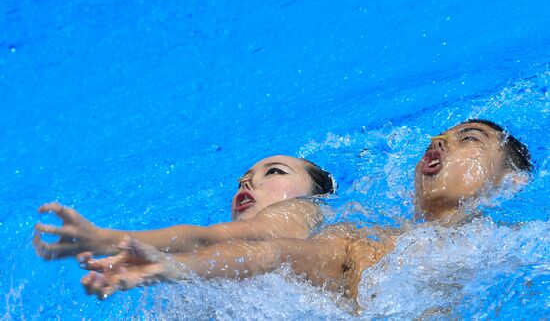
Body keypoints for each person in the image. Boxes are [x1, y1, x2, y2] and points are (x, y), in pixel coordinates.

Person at [75, 119, 533, 303]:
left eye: (469, 138)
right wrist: (168, 264)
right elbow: (267, 253)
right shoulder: (364, 238)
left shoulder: (522, 242)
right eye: (440, 136)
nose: (440, 141)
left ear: (514, 182)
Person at [33, 155, 336, 259]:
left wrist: (106, 240)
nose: (247, 183)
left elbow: (206, 237)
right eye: (242, 180)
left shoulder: (304, 210)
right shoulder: (230, 257)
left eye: (274, 172)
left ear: (318, 195)